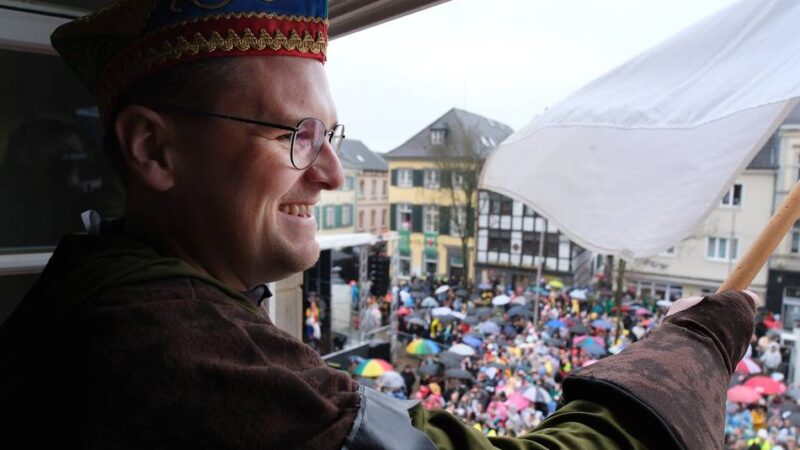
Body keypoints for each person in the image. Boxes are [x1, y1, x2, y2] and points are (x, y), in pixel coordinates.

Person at [0, 1, 758, 449]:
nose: (330, 175)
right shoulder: (172, 356)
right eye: (296, 135)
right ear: (154, 148)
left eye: (333, 136)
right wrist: (687, 351)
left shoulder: (102, 303)